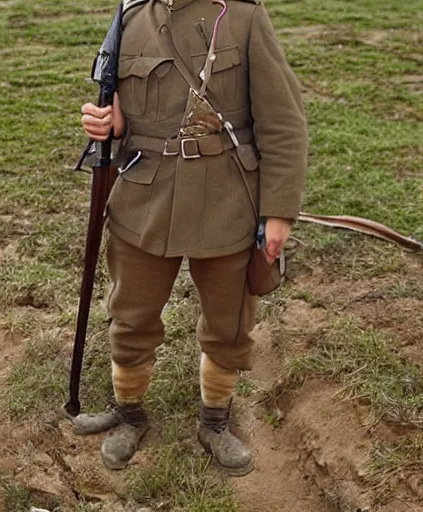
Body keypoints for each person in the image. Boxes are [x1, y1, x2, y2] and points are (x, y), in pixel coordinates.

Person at [80, 0, 307, 476]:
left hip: (227, 199)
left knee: (228, 322)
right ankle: (130, 414)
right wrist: (111, 126)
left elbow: (283, 124)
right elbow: (122, 118)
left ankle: (215, 421)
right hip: (145, 199)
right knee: (131, 314)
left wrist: (279, 211)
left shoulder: (243, 17)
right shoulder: (129, 18)